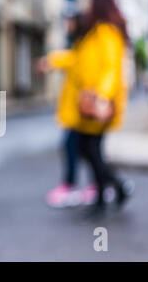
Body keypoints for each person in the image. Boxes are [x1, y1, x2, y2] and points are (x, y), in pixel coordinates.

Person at [40, 0, 132, 216]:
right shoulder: (95, 33)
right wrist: (52, 61)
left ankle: (106, 195)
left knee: (90, 150)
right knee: (91, 150)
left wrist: (101, 96)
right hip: (89, 103)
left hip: (97, 104)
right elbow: (76, 58)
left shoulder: (105, 32)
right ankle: (112, 191)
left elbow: (111, 68)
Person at [44, 12, 98, 208]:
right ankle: (96, 185)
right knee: (85, 150)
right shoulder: (79, 44)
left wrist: (50, 61)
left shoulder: (84, 46)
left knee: (80, 149)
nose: (67, 25)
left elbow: (72, 60)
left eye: (70, 22)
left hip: (81, 112)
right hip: (77, 111)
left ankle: (77, 186)